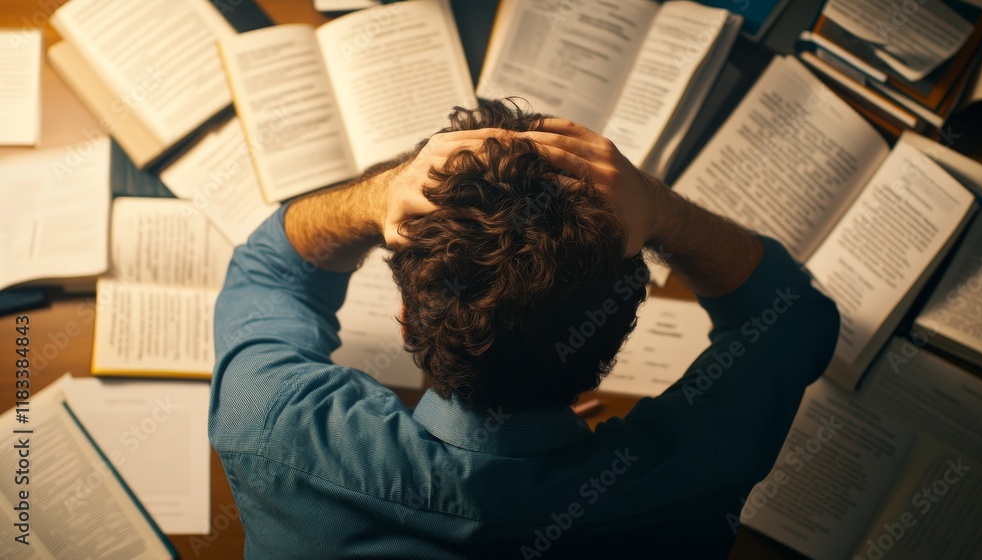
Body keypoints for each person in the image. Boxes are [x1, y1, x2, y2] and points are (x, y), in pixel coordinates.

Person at [209, 100, 840, 559]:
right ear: (617, 336)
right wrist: (661, 208)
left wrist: (377, 196)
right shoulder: (697, 472)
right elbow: (791, 317)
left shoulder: (271, 424)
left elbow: (271, 268)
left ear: (406, 322)